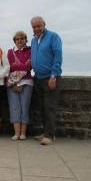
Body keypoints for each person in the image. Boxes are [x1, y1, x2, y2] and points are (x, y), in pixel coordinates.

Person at [30, 16, 63, 145]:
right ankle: (45, 132)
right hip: (38, 77)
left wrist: (54, 75)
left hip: (50, 77)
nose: (37, 28)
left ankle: (50, 135)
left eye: (39, 26)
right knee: (42, 107)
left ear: (44, 24)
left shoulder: (53, 36)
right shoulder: (33, 40)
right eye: (34, 26)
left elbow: (58, 55)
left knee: (50, 107)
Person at [6, 31, 33, 141]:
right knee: (14, 107)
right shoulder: (10, 52)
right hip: (13, 83)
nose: (20, 41)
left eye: (22, 38)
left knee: (24, 107)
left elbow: (29, 67)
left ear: (25, 40)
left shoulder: (31, 50)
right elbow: (9, 67)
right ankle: (16, 133)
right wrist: (22, 66)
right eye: (17, 39)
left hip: (27, 82)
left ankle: (23, 133)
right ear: (14, 41)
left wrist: (16, 66)